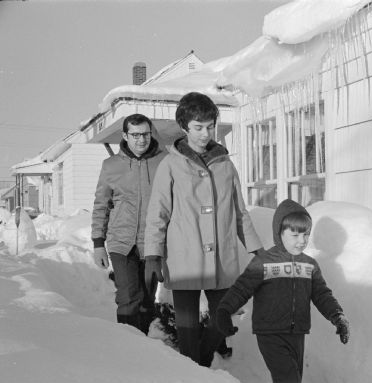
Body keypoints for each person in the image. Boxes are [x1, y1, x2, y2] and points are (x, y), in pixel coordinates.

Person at [144, 91, 263, 367]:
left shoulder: (225, 164)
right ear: (184, 128)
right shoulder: (170, 165)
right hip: (184, 258)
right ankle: (194, 377)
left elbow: (239, 210)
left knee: (224, 319)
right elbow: (157, 213)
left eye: (210, 126)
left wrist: (257, 249)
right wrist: (153, 255)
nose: (205, 133)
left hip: (221, 258)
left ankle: (201, 361)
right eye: (198, 127)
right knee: (187, 331)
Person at [215, 199, 350, 383]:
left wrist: (337, 316)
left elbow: (322, 294)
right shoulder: (264, 262)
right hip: (270, 334)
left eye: (305, 234)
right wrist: (225, 310)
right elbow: (242, 288)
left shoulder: (309, 265)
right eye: (295, 235)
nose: (301, 240)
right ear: (279, 232)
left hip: (297, 334)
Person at [91, 113, 166, 334]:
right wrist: (98, 243)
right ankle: (127, 351)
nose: (141, 139)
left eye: (145, 134)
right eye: (135, 135)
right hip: (121, 243)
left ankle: (142, 350)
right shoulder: (111, 166)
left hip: (152, 243)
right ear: (125, 135)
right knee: (128, 297)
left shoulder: (164, 162)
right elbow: (101, 205)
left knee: (147, 300)